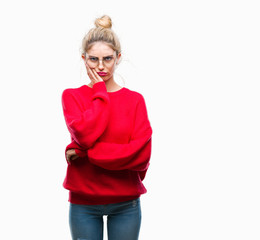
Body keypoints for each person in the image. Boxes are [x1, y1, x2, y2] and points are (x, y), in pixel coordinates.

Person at [61, 15, 152, 240]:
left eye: (107, 59)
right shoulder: (72, 96)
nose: (100, 66)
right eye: (93, 59)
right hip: (84, 203)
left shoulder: (135, 100)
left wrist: (84, 152)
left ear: (118, 58)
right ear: (84, 58)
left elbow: (141, 155)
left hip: (126, 203)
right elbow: (85, 133)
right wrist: (100, 91)